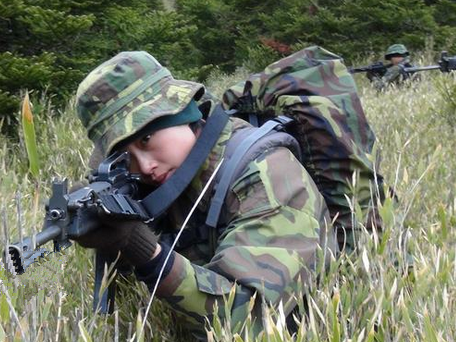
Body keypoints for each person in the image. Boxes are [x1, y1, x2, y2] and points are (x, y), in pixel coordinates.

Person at [73, 51, 335, 339]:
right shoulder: (156, 182)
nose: (145, 166)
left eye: (146, 139)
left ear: (180, 111)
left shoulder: (265, 172)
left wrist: (146, 252)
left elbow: (250, 319)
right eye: (124, 156)